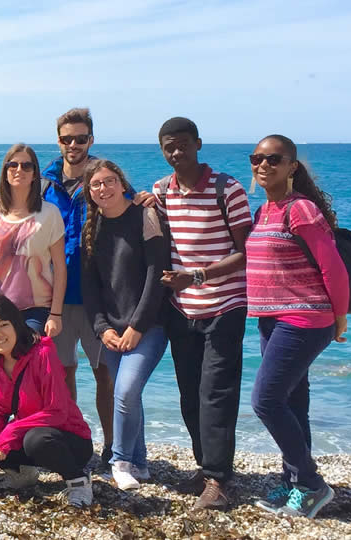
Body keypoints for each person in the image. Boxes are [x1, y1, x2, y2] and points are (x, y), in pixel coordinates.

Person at [151, 117, 252, 509]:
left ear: (198, 144)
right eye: (168, 147)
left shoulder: (228, 189)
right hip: (181, 310)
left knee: (217, 393)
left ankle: (218, 480)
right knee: (190, 394)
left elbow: (245, 253)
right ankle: (207, 467)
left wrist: (197, 275)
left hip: (225, 306)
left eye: (182, 145)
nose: (176, 153)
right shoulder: (162, 190)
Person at [246, 135, 349, 518]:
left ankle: (311, 483)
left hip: (305, 318)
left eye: (274, 159)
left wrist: (340, 317)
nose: (264, 165)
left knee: (266, 400)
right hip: (272, 319)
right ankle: (294, 483)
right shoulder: (265, 211)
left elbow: (333, 267)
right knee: (292, 401)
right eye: (257, 158)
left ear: (292, 166)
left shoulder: (301, 209)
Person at [79, 160, 170, 490]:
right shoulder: (92, 228)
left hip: (149, 326)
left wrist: (137, 327)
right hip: (112, 331)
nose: (104, 188)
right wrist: (103, 329)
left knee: (126, 391)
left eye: (110, 181)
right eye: (96, 185)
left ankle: (119, 460)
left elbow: (156, 275)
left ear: (122, 182)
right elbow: (90, 288)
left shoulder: (145, 216)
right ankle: (141, 462)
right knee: (128, 395)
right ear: (90, 193)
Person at [0, 295, 93, 507]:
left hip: (69, 441)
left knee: (35, 439)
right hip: (29, 436)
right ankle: (22, 473)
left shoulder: (42, 352)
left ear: (17, 325)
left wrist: (10, 433)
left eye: (3, 325)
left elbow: (57, 411)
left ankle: (78, 481)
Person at [42, 108, 116, 462]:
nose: (74, 145)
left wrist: (151, 199)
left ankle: (112, 447)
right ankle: (75, 441)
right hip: (55, 296)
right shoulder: (43, 181)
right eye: (66, 139)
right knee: (63, 372)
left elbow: (128, 212)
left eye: (81, 138)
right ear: (58, 141)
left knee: (105, 373)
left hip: (98, 296)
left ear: (91, 140)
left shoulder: (105, 178)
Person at [0, 144, 67, 345]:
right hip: (1, 308)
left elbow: (60, 267)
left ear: (34, 174)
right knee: (3, 370)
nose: (19, 170)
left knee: (28, 360)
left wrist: (56, 314)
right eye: (12, 165)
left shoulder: (49, 213)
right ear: (5, 172)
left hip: (38, 309)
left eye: (26, 166)